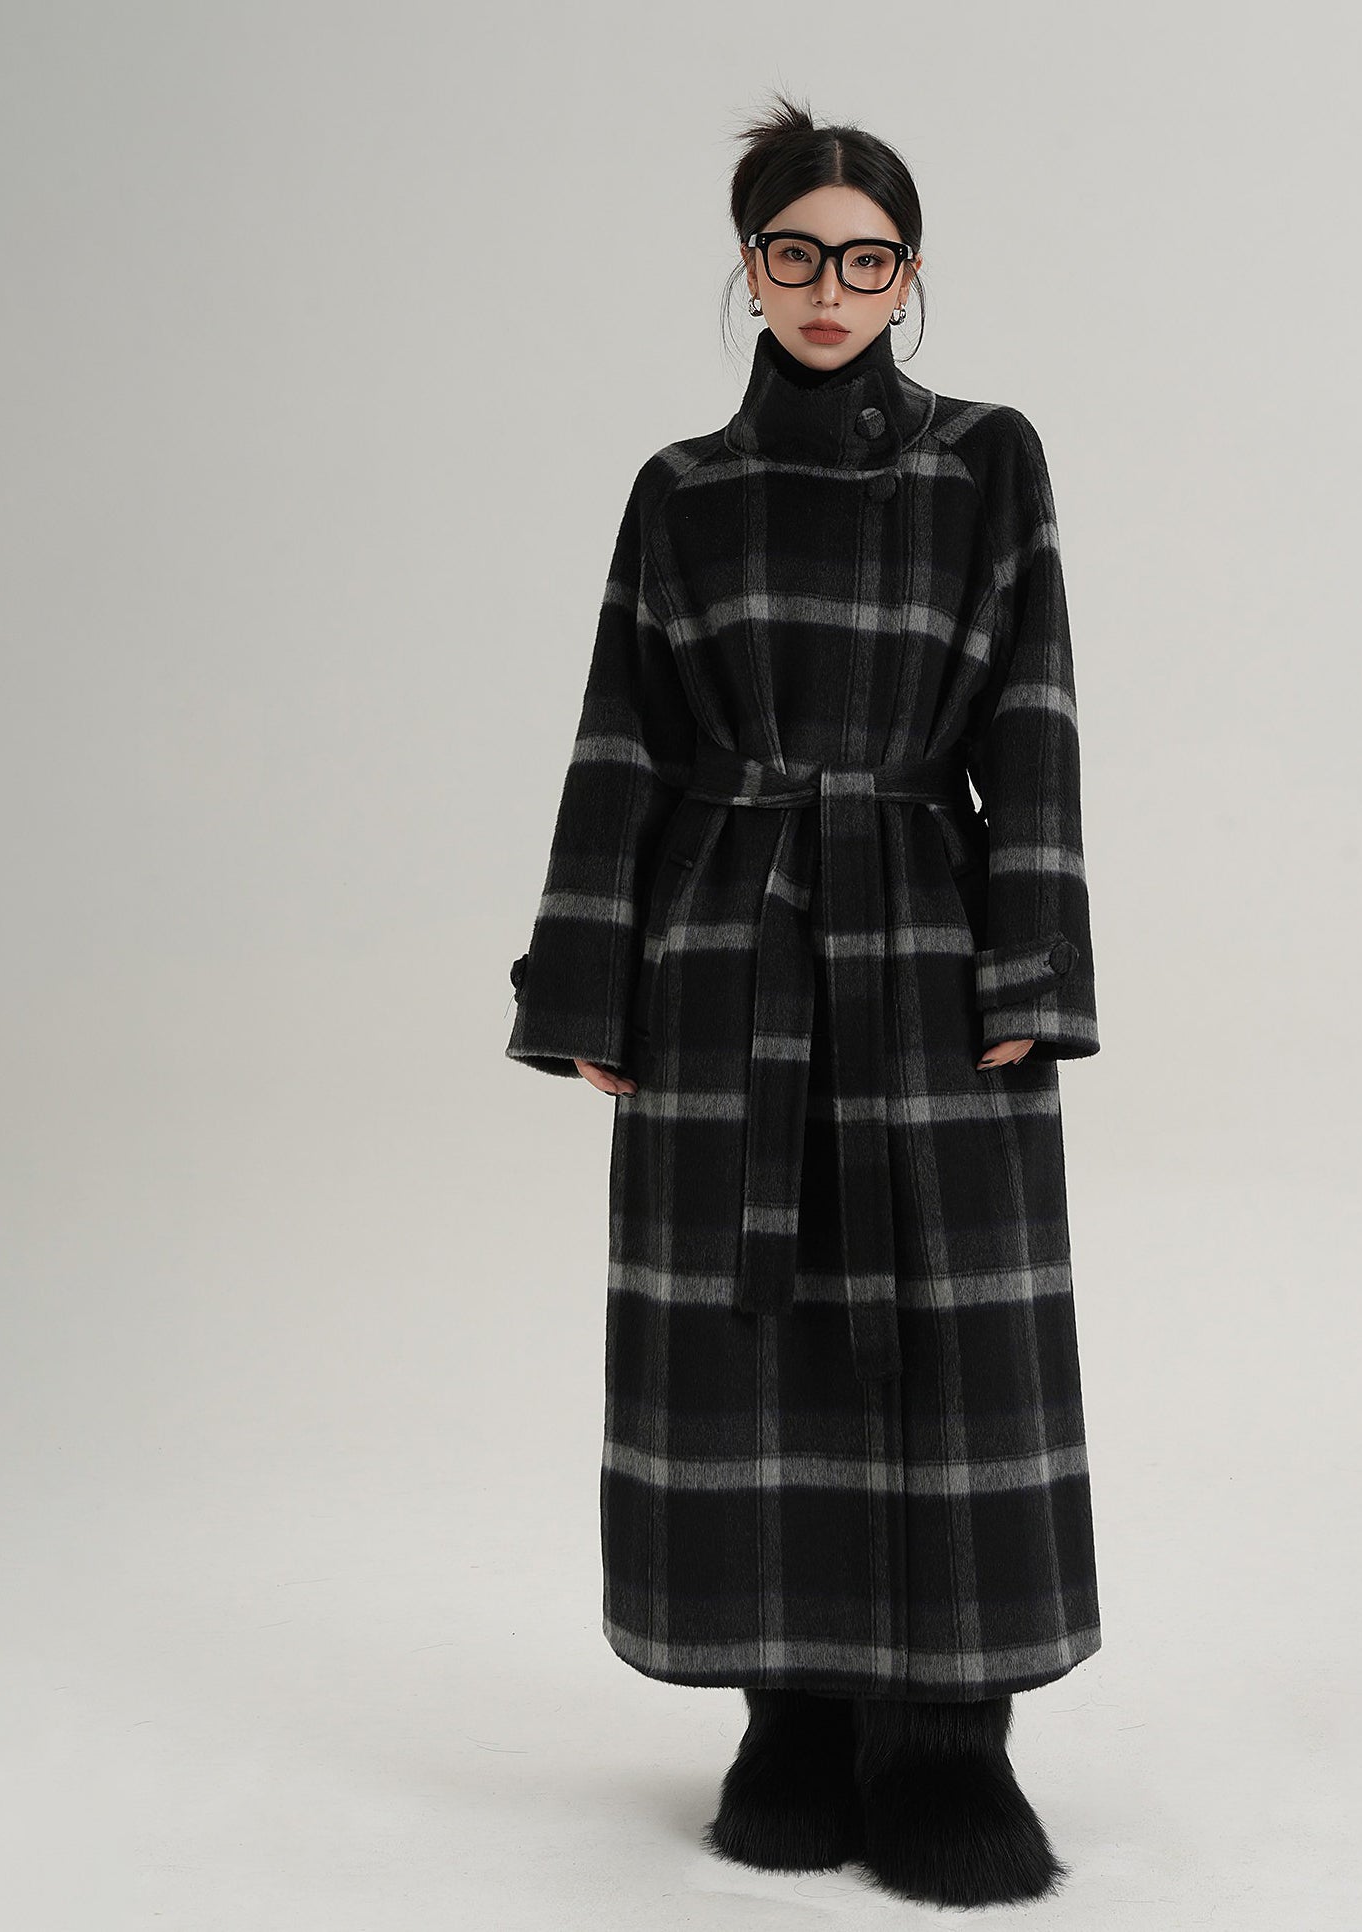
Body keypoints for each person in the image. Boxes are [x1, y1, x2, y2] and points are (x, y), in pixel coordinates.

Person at [504, 94, 1104, 1909]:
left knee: (950, 1338)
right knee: (746, 1354)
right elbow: (624, 734)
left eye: (865, 259)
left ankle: (951, 1749)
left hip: (925, 943)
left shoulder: (987, 462)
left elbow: (1034, 718)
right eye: (795, 255)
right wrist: (587, 978)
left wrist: (1035, 960)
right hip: (721, 952)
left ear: (909, 276)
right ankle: (790, 1725)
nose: (829, 289)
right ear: (749, 269)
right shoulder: (680, 492)